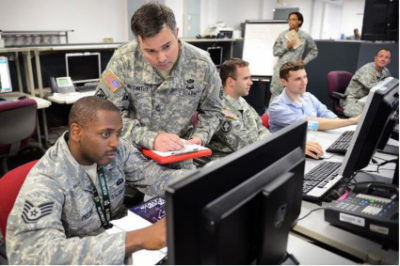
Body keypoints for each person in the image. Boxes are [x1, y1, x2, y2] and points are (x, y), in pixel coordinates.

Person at [6, 96, 190, 264]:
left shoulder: (116, 151)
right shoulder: (46, 180)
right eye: (105, 134)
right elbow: (31, 255)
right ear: (77, 132)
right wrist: (138, 239)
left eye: (118, 133)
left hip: (121, 238)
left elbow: (155, 176)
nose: (115, 143)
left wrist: (203, 182)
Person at [95, 2, 223, 158]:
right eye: (150, 51)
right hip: (132, 155)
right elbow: (106, 116)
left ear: (176, 33)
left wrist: (200, 137)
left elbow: (213, 111)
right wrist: (150, 139)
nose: (161, 58)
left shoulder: (201, 64)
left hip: (181, 155)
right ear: (138, 41)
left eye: (167, 46)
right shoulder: (122, 60)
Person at [207, 58, 323, 160]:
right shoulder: (220, 109)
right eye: (246, 78)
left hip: (254, 157)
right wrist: (292, 145)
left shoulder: (240, 101)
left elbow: (261, 129)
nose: (251, 82)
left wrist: (284, 144)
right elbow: (247, 144)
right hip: (230, 166)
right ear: (230, 82)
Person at [268, 62, 360, 133]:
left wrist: (346, 128)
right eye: (298, 79)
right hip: (290, 151)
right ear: (284, 82)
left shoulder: (309, 97)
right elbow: (311, 124)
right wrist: (352, 121)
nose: (304, 82)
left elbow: (330, 117)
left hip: (313, 141)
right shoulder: (277, 107)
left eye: (305, 77)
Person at [269, 11, 318, 104]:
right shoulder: (282, 35)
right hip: (280, 69)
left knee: (294, 95)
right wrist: (287, 46)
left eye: (294, 19)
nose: (290, 22)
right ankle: (273, 116)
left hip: (295, 70)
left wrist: (303, 62)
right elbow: (275, 52)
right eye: (289, 19)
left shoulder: (305, 36)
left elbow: (314, 51)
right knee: (276, 94)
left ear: (299, 21)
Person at [340, 48, 392, 117]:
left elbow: (389, 85)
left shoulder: (385, 71)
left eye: (386, 57)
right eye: (381, 56)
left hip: (368, 99)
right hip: (353, 100)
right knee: (367, 118)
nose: (383, 59)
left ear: (389, 61)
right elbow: (375, 89)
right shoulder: (367, 70)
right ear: (376, 58)